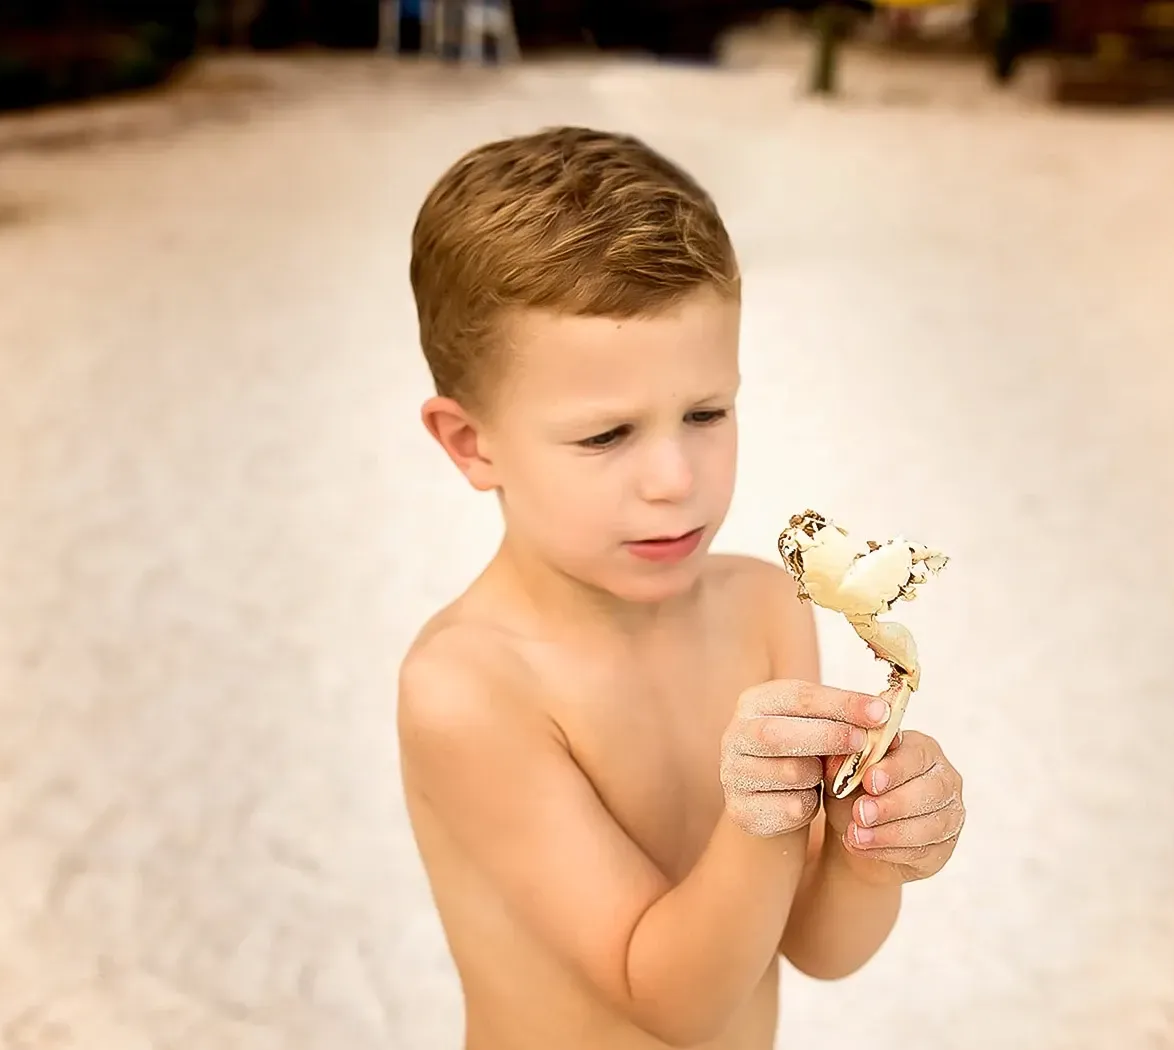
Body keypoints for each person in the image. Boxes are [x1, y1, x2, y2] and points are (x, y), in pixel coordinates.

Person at [397, 126, 967, 1050]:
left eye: (706, 413)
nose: (674, 477)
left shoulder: (764, 607)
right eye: (605, 436)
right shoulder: (470, 687)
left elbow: (819, 950)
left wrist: (878, 849)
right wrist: (757, 818)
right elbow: (670, 1001)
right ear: (472, 443)